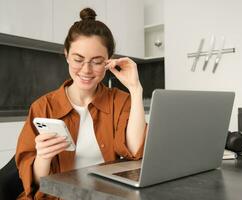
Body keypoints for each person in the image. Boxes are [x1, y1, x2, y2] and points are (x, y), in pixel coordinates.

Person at [15, 7, 146, 199]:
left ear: (108, 61)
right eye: (78, 59)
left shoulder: (120, 100)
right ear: (66, 54)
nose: (86, 70)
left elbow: (136, 153)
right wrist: (43, 157)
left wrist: (135, 89)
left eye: (97, 61)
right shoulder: (43, 107)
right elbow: (36, 185)